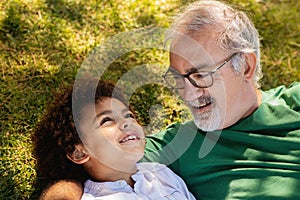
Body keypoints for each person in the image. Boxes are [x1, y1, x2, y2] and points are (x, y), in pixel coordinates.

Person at [37, 0, 300, 199]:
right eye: (177, 77)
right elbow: (93, 166)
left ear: (245, 67)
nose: (186, 92)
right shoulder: (177, 146)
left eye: (199, 75)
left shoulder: (294, 101)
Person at [32, 78, 196, 200]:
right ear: (79, 153)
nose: (127, 123)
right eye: (106, 120)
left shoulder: (161, 174)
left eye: (129, 116)